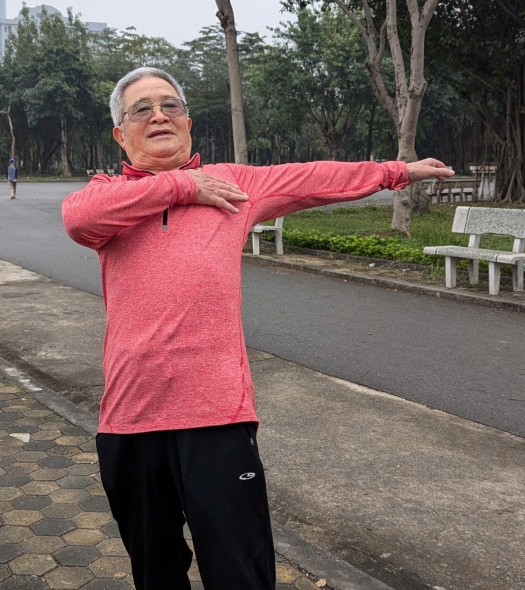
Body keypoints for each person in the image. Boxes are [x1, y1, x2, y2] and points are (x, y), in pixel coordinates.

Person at [61, 67, 454, 589]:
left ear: (188, 122)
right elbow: (78, 219)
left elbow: (313, 179)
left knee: (239, 574)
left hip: (217, 415)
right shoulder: (107, 194)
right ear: (121, 133)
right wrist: (181, 186)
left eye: (170, 105)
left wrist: (394, 172)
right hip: (130, 419)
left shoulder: (235, 185)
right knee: (154, 573)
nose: (159, 115)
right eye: (142, 109)